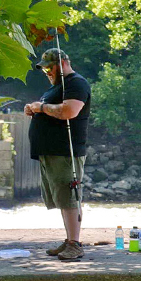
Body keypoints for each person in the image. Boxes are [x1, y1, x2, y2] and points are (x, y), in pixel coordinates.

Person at [24, 48, 92, 261]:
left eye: (49, 68)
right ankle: (69, 240)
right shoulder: (58, 87)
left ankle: (75, 244)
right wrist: (34, 109)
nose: (47, 73)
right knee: (62, 198)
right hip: (51, 152)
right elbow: (50, 109)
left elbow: (68, 111)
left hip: (65, 152)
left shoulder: (76, 84)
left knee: (70, 197)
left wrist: (41, 108)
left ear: (62, 63)